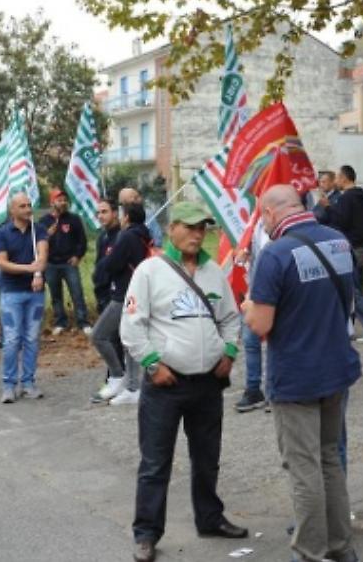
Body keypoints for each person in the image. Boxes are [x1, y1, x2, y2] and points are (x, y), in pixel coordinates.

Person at [121, 201, 247, 562]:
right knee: (155, 463)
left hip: (207, 383)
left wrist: (229, 352)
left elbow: (230, 318)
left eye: (202, 228)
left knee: (207, 458)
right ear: (171, 228)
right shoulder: (150, 271)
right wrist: (152, 365)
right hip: (166, 384)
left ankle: (210, 519)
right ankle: (146, 533)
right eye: (190, 227)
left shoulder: (213, 272)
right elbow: (132, 326)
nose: (197, 234)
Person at [243, 184, 361, 562]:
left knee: (303, 466)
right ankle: (341, 547)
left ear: (270, 213)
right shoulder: (338, 241)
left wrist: (247, 305)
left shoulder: (275, 254)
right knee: (329, 459)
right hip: (336, 368)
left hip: (296, 377)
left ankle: (310, 551)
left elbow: (261, 325)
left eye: (262, 216)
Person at [91, 198, 153, 405]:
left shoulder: (126, 236)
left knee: (99, 335)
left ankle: (118, 376)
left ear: (126, 217)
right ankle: (133, 387)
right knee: (128, 341)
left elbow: (111, 264)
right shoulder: (144, 234)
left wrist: (105, 262)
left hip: (124, 295)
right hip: (136, 293)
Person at [317, 165, 363, 342]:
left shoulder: (346, 198)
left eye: (337, 178)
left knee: (352, 291)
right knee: (356, 291)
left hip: (352, 249)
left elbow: (340, 222)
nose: (336, 181)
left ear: (345, 178)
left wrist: (328, 207)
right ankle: (348, 329)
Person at [0, 191, 49, 404]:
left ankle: (28, 382)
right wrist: (28, 269)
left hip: (35, 294)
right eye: (23, 206)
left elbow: (42, 257)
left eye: (29, 205)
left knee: (31, 338)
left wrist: (37, 274)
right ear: (12, 210)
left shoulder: (39, 230)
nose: (28, 209)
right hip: (11, 293)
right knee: (12, 340)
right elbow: (2, 263)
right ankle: (9, 385)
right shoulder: (2, 233)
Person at [37, 188, 90, 335]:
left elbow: (82, 241)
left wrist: (77, 256)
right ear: (52, 202)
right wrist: (48, 234)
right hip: (51, 264)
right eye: (59, 200)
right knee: (56, 296)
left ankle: (83, 322)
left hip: (69, 264)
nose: (63, 203)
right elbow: (38, 243)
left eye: (65, 200)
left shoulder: (74, 219)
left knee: (77, 293)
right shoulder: (44, 221)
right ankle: (60, 322)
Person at [234, 223, 272, 413]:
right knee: (250, 340)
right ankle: (253, 389)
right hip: (254, 290)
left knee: (277, 340)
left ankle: (274, 391)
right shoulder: (254, 222)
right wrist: (245, 253)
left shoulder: (278, 218)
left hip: (274, 289)